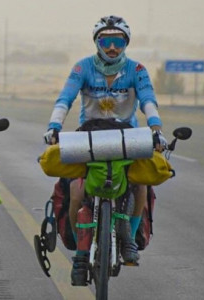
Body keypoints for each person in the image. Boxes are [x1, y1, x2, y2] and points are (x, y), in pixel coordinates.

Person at [42, 15, 168, 286]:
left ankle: (129, 242)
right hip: (89, 136)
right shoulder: (82, 67)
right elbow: (65, 97)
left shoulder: (137, 69)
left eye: (118, 41)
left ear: (126, 43)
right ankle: (80, 253)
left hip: (128, 137)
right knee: (76, 191)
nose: (112, 47)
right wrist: (54, 125)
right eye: (106, 41)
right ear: (97, 42)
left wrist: (156, 127)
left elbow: (148, 99)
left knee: (140, 185)